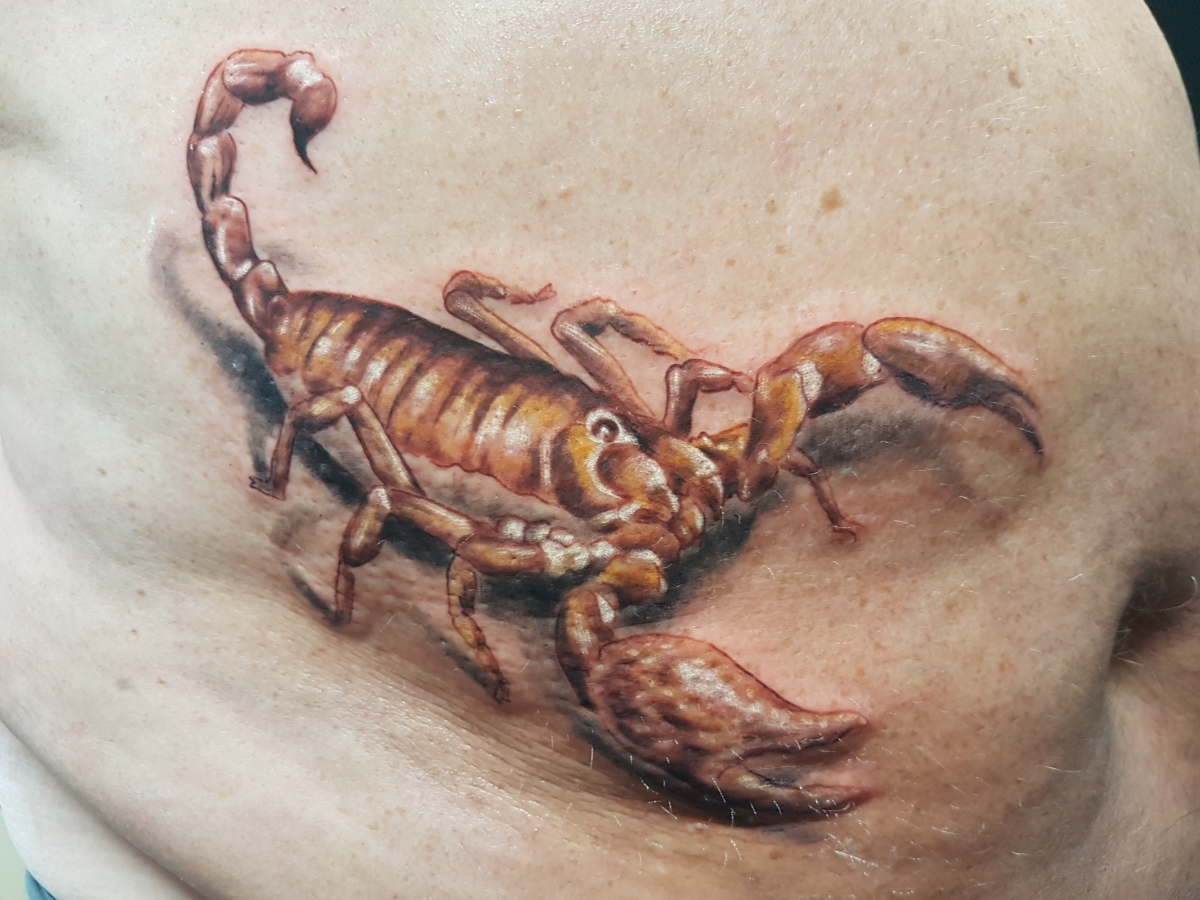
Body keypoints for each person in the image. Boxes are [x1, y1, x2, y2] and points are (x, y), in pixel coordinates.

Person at [1, 1, 1197, 897]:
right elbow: (473, 560)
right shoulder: (568, 568)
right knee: (407, 504)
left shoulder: (661, 431)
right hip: (355, 407)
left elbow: (641, 348)